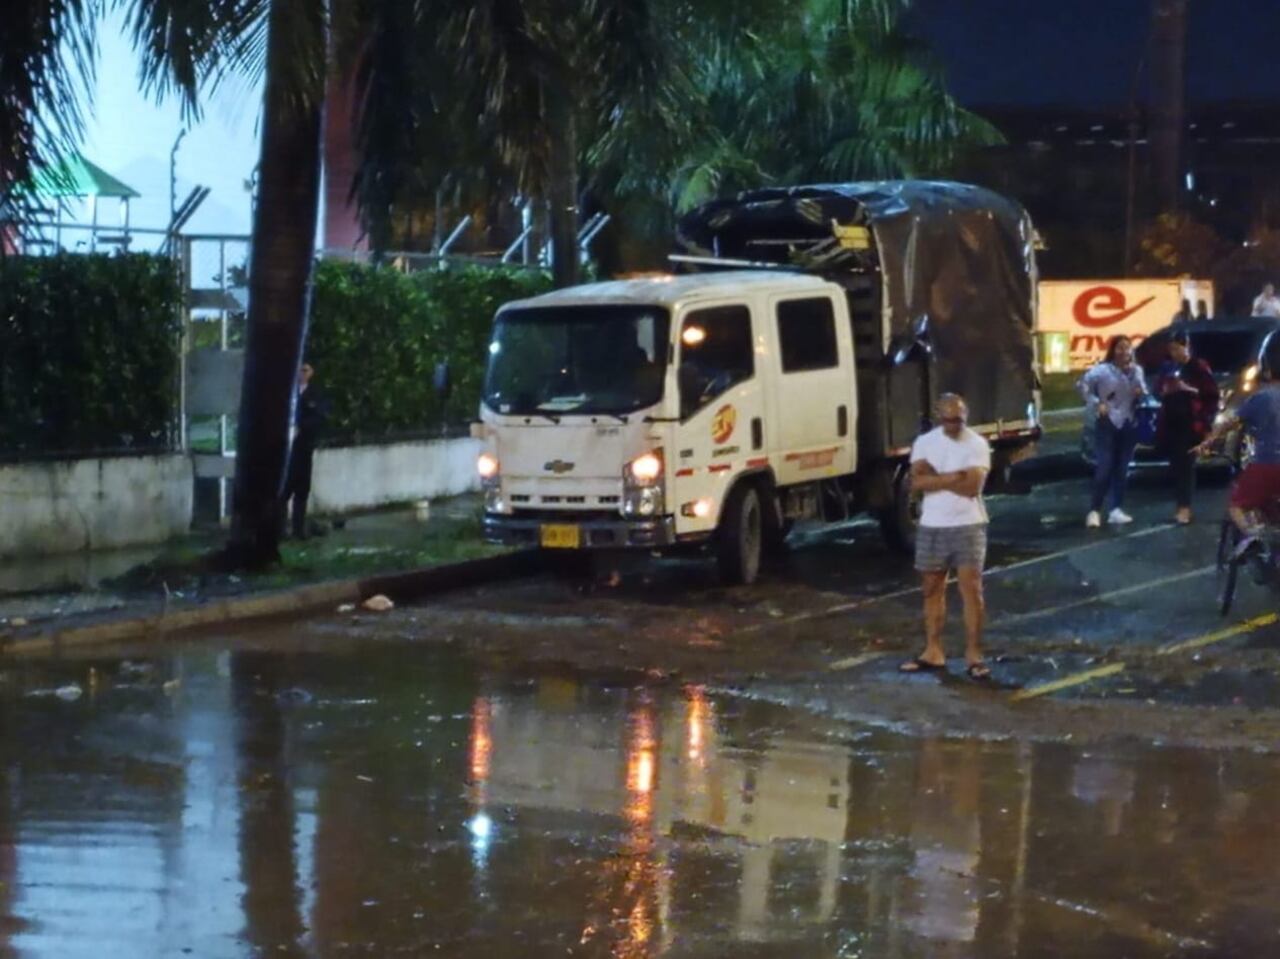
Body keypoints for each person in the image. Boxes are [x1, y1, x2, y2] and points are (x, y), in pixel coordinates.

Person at [899, 393, 992, 681]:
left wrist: (936, 479)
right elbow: (916, 483)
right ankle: (933, 650)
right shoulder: (925, 443)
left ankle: (974, 655)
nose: (955, 425)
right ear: (940, 417)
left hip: (968, 525)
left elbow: (973, 487)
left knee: (972, 591)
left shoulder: (977, 444)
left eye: (960, 420)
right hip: (932, 525)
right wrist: (955, 477)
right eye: (950, 420)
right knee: (931, 589)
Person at [1194, 354, 1280, 553]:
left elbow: (1231, 422)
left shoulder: (1261, 397)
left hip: (1267, 462)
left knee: (1237, 505)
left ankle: (1252, 537)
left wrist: (1208, 441)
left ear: (1266, 372)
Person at [1078, 335, 1148, 528]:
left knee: (1122, 468)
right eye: (1120, 348)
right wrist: (1096, 403)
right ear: (1113, 350)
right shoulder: (1101, 371)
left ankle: (1116, 508)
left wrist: (1139, 392)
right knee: (1105, 467)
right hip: (1107, 422)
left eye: (1128, 348)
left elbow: (1143, 391)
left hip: (1128, 422)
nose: (1125, 352)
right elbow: (1082, 386)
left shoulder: (1136, 370)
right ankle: (1094, 510)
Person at [1155, 332, 1218, 524]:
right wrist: (1165, 391)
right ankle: (1180, 505)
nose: (1174, 353)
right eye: (1171, 349)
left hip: (1191, 423)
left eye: (1177, 348)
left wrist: (1187, 388)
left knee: (1186, 466)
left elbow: (1211, 394)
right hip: (1171, 422)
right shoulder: (1168, 368)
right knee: (1177, 465)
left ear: (1186, 347)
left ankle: (1185, 508)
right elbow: (1158, 390)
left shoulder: (1198, 367)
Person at [282, 361, 328, 539]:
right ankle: (280, 530)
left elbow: (319, 417)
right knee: (284, 491)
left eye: (305, 370)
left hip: (304, 448)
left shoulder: (315, 394)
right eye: (299, 370)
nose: (301, 373)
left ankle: (298, 530)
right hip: (287, 451)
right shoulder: (288, 393)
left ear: (311, 373)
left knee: (301, 490)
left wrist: (301, 428)